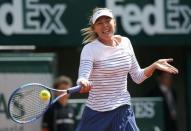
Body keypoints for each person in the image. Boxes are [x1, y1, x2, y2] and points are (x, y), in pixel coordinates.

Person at [76, 7, 179, 131]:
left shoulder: (126, 43)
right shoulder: (89, 49)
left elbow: (137, 76)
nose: (105, 25)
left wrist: (154, 66)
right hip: (96, 113)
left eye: (108, 21)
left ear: (114, 22)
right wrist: (82, 81)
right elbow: (83, 74)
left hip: (122, 108)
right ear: (94, 28)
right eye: (99, 23)